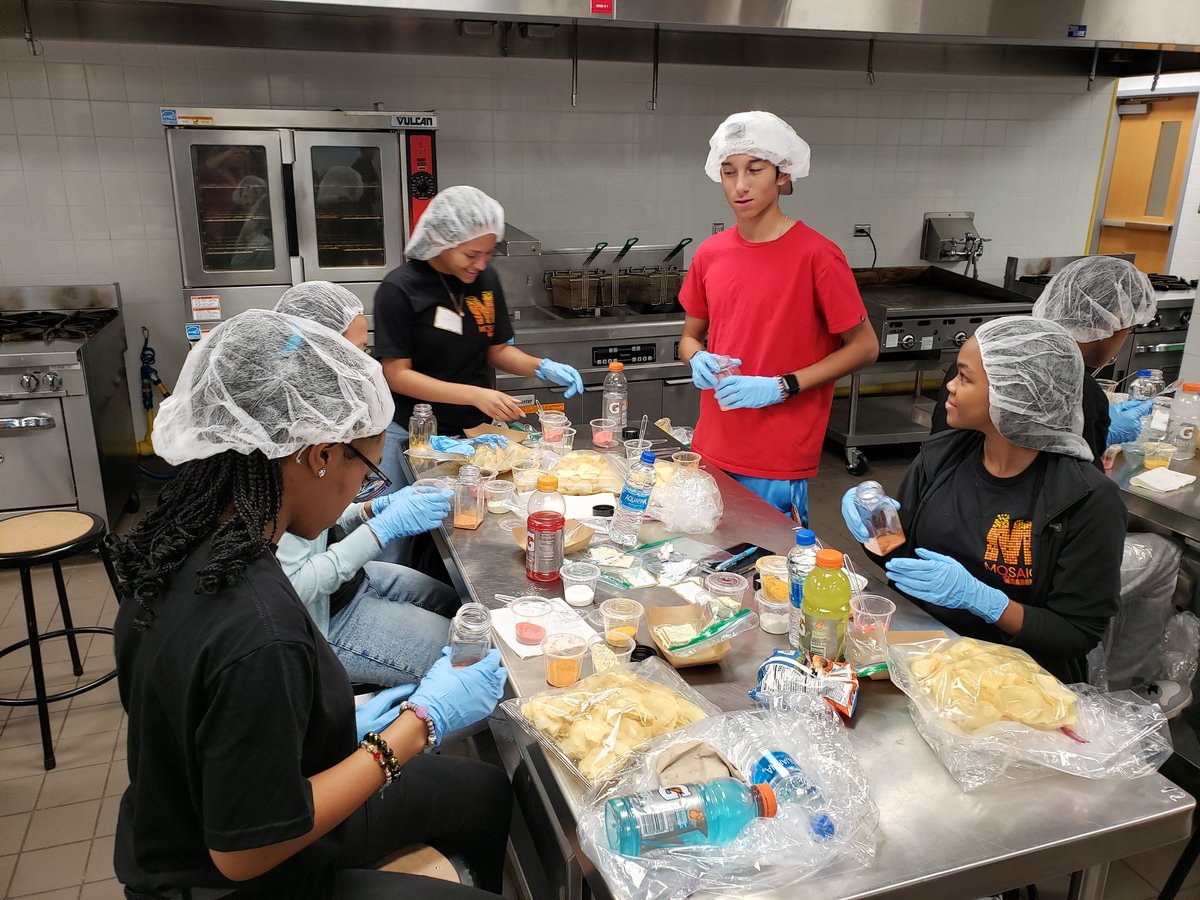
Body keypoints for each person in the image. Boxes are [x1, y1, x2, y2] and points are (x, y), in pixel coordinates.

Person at [112, 309, 511, 899]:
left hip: (197, 804)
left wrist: (331, 727)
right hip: (236, 871)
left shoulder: (181, 543)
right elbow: (245, 853)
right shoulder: (260, 630)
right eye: (368, 471)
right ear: (321, 455)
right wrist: (413, 728)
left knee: (483, 792)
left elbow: (217, 721)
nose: (365, 491)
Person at [843, 316, 1124, 683]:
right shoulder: (940, 457)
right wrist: (876, 526)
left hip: (1017, 680)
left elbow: (1077, 634)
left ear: (1018, 392)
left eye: (965, 377)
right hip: (923, 657)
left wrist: (985, 602)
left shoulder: (1086, 500)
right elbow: (901, 560)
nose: (950, 387)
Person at [678, 111, 879, 526]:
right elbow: (689, 338)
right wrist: (696, 357)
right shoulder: (710, 253)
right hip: (712, 442)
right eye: (729, 172)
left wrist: (783, 386)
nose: (740, 185)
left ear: (783, 176)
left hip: (776, 454)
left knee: (766, 572)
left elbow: (864, 347)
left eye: (755, 170)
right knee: (707, 570)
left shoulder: (817, 256)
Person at [275, 281, 461, 685]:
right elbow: (294, 583)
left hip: (349, 583)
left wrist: (371, 508)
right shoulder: (282, 442)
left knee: (462, 607)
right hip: (319, 619)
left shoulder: (318, 413)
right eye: (356, 353)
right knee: (471, 657)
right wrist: (382, 530)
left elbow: (314, 525)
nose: (368, 365)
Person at [374, 185, 584, 490]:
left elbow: (496, 350)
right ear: (441, 241)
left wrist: (541, 366)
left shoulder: (485, 280)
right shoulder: (400, 289)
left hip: (474, 432)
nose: (481, 264)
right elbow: (396, 374)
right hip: (413, 432)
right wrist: (475, 394)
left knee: (466, 516)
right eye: (471, 254)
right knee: (400, 527)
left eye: (489, 253)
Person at [930, 255, 1158, 462]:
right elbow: (1078, 475)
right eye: (1129, 329)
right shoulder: (1078, 389)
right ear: (1116, 319)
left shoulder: (984, 356)